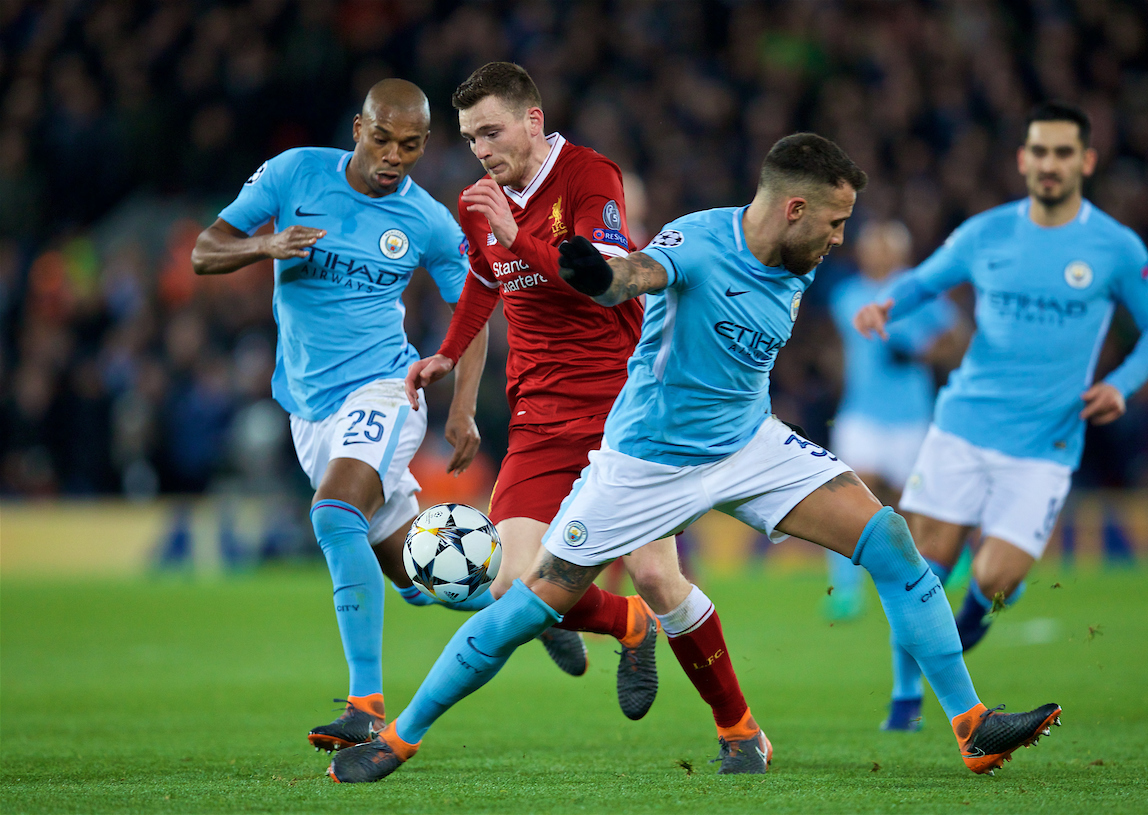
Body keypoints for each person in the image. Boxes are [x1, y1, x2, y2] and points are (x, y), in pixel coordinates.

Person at [329, 132, 1063, 784]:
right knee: (526, 606)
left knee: (892, 540)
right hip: (645, 462)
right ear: (795, 211)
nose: (842, 240)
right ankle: (400, 737)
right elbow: (636, 274)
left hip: (748, 442)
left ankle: (971, 727)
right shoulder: (700, 242)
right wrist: (590, 269)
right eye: (836, 223)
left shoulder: (797, 255)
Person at [402, 62, 762, 740]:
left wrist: (515, 234)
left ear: (533, 121)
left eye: (492, 132)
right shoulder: (479, 201)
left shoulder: (591, 177)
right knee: (510, 586)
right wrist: (449, 353)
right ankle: (626, 625)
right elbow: (484, 279)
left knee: (656, 573)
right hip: (538, 414)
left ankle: (739, 727)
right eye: (471, 138)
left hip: (621, 411)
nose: (481, 151)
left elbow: (601, 282)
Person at [853, 102, 1148, 732]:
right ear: (1023, 160)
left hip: (1045, 443)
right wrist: (885, 305)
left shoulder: (1113, 247)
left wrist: (1121, 383)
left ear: (1084, 161)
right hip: (961, 428)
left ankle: (971, 621)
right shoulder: (987, 233)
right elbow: (926, 281)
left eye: (1064, 153)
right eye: (1040, 152)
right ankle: (904, 701)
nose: (1050, 164)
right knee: (919, 565)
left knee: (995, 577)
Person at [191, 79, 490, 752]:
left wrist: (463, 409)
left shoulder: (427, 221)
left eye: (409, 146)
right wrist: (263, 247)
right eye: (381, 139)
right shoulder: (294, 172)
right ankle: (555, 606)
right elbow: (204, 251)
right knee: (421, 575)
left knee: (332, 513)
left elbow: (475, 308)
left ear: (423, 146)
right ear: (358, 127)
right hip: (308, 407)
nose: (392, 157)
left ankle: (365, 704)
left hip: (386, 388)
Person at [824, 221, 961, 620]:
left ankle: (945, 560)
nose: (878, 253)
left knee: (910, 503)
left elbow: (954, 336)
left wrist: (919, 355)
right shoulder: (846, 295)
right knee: (843, 498)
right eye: (872, 245)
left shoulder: (915, 290)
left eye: (886, 247)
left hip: (911, 416)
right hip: (860, 413)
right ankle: (846, 592)